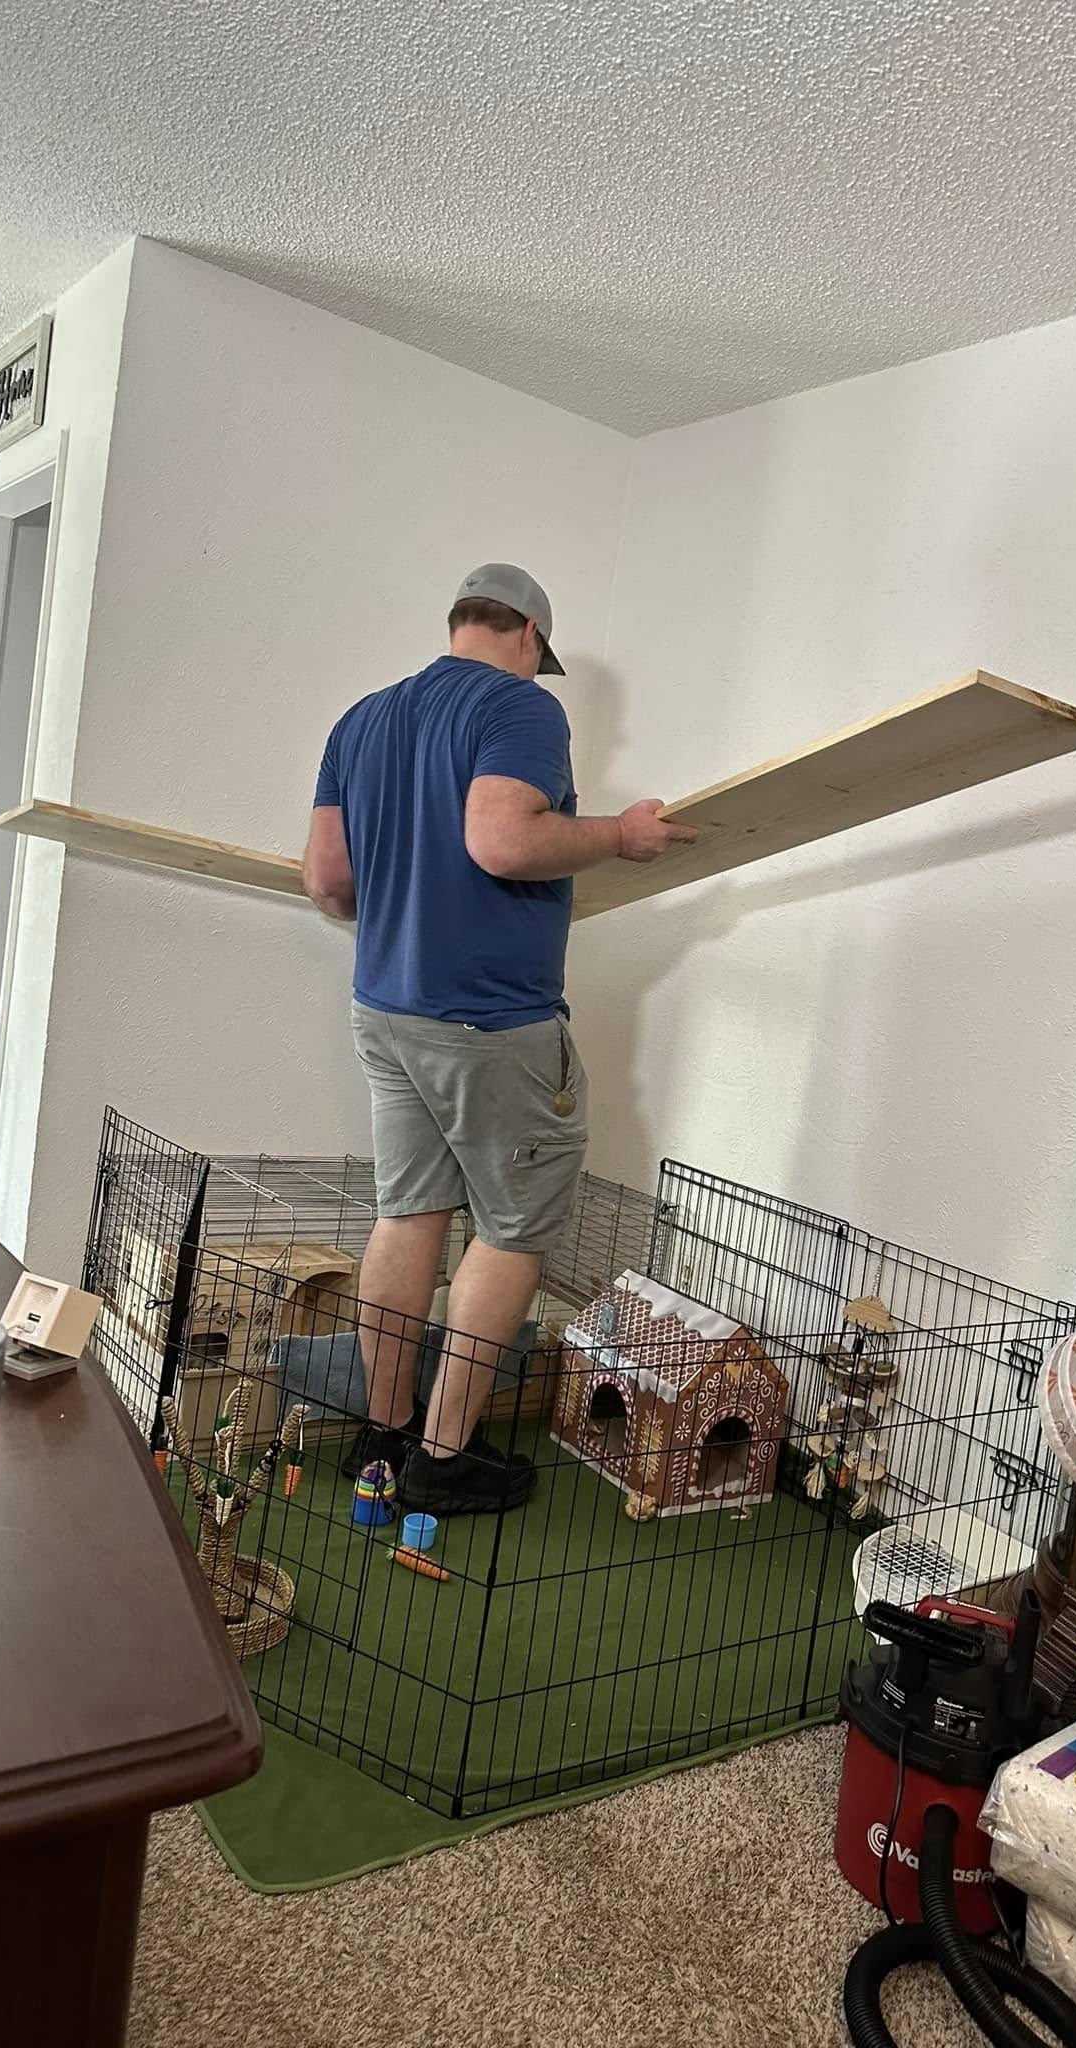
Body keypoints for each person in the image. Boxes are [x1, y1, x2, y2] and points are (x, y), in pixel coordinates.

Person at [302, 563, 698, 1514]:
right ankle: (445, 1456)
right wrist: (619, 835)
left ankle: (387, 1430)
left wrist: (409, 908)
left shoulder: (362, 720)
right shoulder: (520, 709)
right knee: (514, 1230)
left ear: (459, 623)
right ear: (528, 636)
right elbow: (503, 842)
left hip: (384, 1007)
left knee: (409, 1214)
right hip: (490, 1019)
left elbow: (326, 882)